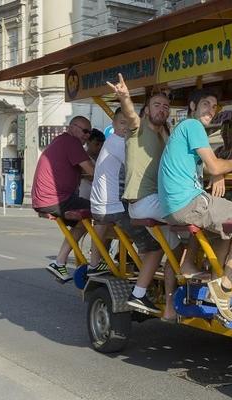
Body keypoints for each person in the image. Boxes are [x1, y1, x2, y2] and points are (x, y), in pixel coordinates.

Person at [158, 89, 232, 322]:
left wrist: (217, 173)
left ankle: (215, 285)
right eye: (205, 104)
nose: (210, 110)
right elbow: (214, 165)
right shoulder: (193, 127)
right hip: (188, 202)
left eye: (214, 107)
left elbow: (209, 166)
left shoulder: (182, 129)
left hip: (173, 205)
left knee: (223, 232)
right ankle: (225, 285)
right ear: (192, 106)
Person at [111, 75, 194, 316]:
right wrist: (125, 97)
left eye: (166, 107)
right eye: (156, 105)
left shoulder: (163, 136)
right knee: (200, 219)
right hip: (145, 202)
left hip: (157, 203)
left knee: (174, 250)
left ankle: (145, 297)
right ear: (146, 110)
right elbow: (130, 114)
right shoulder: (137, 129)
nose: (162, 109)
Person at [88, 106, 165, 284]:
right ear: (113, 123)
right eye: (122, 123)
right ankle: (146, 276)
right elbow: (142, 166)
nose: (125, 127)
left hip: (100, 207)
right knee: (153, 244)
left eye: (128, 123)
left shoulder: (111, 142)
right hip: (113, 207)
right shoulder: (119, 143)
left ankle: (97, 264)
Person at [32, 115, 95, 282]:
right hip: (56, 199)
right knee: (102, 211)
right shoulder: (71, 142)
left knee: (83, 222)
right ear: (72, 127)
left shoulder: (61, 141)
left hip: (46, 199)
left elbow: (75, 171)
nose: (87, 136)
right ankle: (97, 263)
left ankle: (59, 262)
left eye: (90, 132)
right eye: (85, 131)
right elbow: (92, 171)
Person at [78, 128, 105, 199]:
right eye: (97, 144)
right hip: (84, 195)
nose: (100, 147)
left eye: (102, 145)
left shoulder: (104, 159)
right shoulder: (80, 158)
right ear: (88, 142)